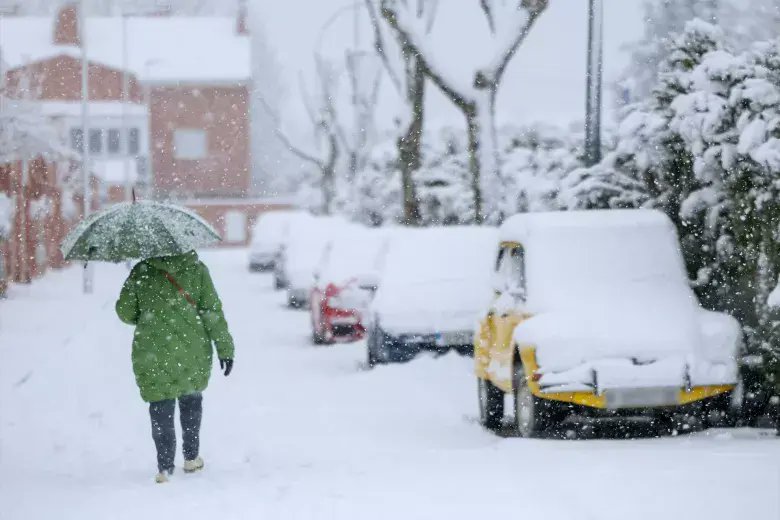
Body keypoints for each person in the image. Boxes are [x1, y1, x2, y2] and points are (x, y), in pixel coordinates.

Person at [116, 251, 235, 483]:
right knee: (191, 400)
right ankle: (191, 457)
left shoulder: (142, 271)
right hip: (192, 348)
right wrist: (225, 348)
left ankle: (165, 467)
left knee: (160, 405)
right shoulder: (197, 269)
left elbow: (125, 312)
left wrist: (148, 311)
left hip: (152, 350)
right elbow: (212, 311)